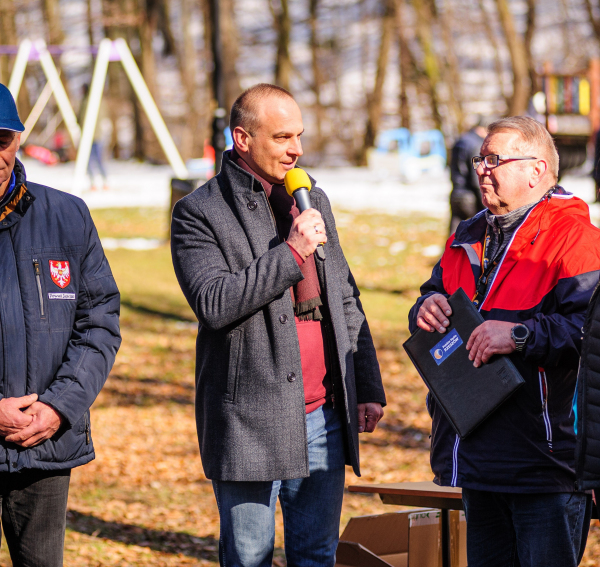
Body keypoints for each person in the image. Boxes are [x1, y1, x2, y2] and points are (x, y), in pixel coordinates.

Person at [171, 83, 386, 567]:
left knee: (316, 555)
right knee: (249, 556)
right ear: (243, 139)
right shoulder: (198, 212)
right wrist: (292, 252)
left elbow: (344, 296)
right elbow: (214, 302)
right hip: (249, 417)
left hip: (324, 414)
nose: (297, 150)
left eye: (300, 136)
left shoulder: (311, 199)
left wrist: (366, 384)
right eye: (283, 137)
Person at [408, 116, 600, 567]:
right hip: (475, 455)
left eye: (495, 160)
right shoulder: (467, 235)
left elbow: (588, 332)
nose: (481, 169)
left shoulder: (576, 239)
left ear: (537, 170)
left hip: (543, 462)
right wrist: (426, 307)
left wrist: (518, 335)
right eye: (480, 159)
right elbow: (432, 293)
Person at [0, 83, 121, 566]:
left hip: (44, 443)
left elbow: (99, 322)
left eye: (2, 140)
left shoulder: (67, 216)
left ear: (18, 140)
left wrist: (58, 406)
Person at [449, 119, 488, 234]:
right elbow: (476, 175)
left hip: (456, 193)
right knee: (477, 234)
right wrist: (485, 202)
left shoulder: (461, 140)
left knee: (454, 234)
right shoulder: (476, 145)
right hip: (470, 196)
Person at [79, 83, 108, 190]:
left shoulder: (93, 102)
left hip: (95, 135)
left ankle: (103, 181)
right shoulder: (86, 102)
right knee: (90, 160)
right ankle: (94, 183)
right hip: (90, 136)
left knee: (97, 159)